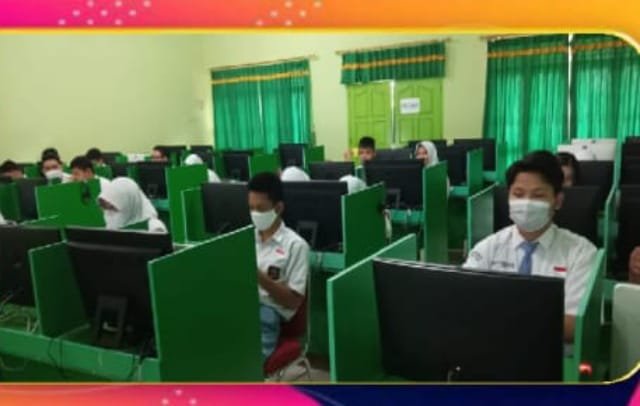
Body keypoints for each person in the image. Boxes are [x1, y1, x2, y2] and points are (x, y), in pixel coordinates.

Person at [463, 150, 597, 342]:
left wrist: (504, 317)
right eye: (518, 194)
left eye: (538, 195)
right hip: (492, 348)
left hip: (553, 354)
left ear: (558, 201)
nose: (526, 203)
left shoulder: (581, 252)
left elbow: (576, 325)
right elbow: (465, 303)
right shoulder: (487, 248)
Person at [248, 172, 309, 361]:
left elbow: (293, 302)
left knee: (243, 364)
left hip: (268, 314)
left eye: (260, 208)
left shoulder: (295, 246)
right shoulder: (246, 239)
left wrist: (257, 276)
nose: (255, 214)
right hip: (241, 308)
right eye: (251, 208)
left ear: (278, 208)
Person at [97, 177, 167, 233]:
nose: (109, 214)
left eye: (113, 208)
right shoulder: (111, 224)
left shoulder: (154, 227)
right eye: (106, 208)